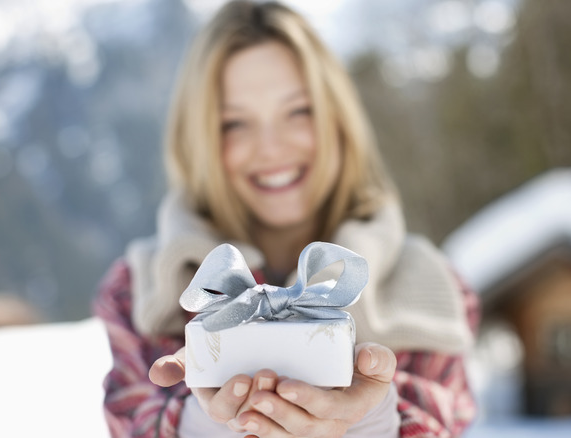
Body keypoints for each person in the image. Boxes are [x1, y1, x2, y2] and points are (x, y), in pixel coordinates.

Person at [94, 1, 479, 437]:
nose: (272, 148)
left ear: (339, 121)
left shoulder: (432, 287)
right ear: (199, 139)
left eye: (299, 112)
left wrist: (370, 419)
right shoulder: (139, 291)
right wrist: (209, 421)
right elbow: (132, 418)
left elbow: (444, 418)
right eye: (235, 124)